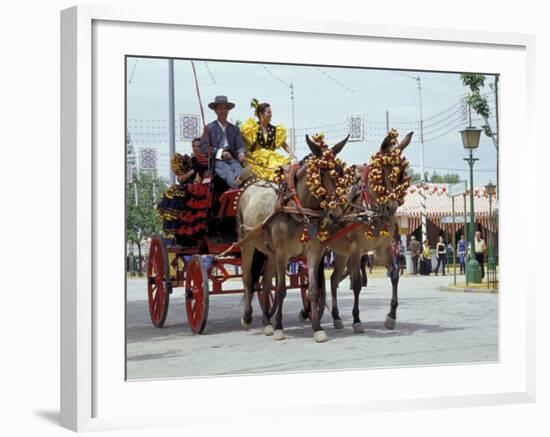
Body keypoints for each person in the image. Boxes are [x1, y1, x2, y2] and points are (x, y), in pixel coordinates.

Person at [239, 98, 296, 181]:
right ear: (261, 114)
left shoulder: (274, 130)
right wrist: (241, 154)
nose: (271, 115)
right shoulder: (252, 128)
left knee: (283, 170)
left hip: (271, 159)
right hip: (257, 161)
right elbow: (242, 141)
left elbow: (284, 145)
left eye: (271, 112)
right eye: (268, 112)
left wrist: (292, 154)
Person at [200, 95, 248, 188]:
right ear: (215, 110)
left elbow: (240, 145)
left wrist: (241, 153)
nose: (223, 111)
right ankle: (235, 181)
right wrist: (221, 153)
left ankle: (243, 177)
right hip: (217, 160)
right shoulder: (209, 128)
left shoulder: (234, 129)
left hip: (232, 157)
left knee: (237, 166)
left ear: (228, 110)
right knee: (224, 169)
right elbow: (204, 148)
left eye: (225, 108)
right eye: (220, 108)